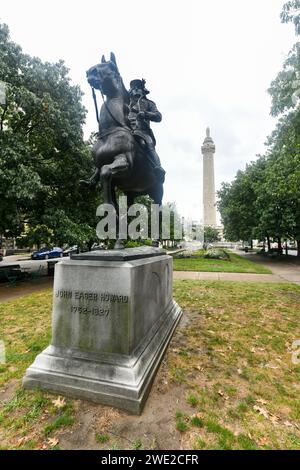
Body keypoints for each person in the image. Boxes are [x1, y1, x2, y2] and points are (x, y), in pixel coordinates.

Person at [128, 79, 165, 183]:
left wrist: (145, 114)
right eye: (133, 88)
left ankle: (158, 168)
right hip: (125, 129)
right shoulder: (125, 102)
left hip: (142, 130)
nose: (135, 90)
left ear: (142, 90)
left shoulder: (149, 103)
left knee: (147, 144)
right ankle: (94, 178)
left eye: (137, 88)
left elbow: (158, 116)